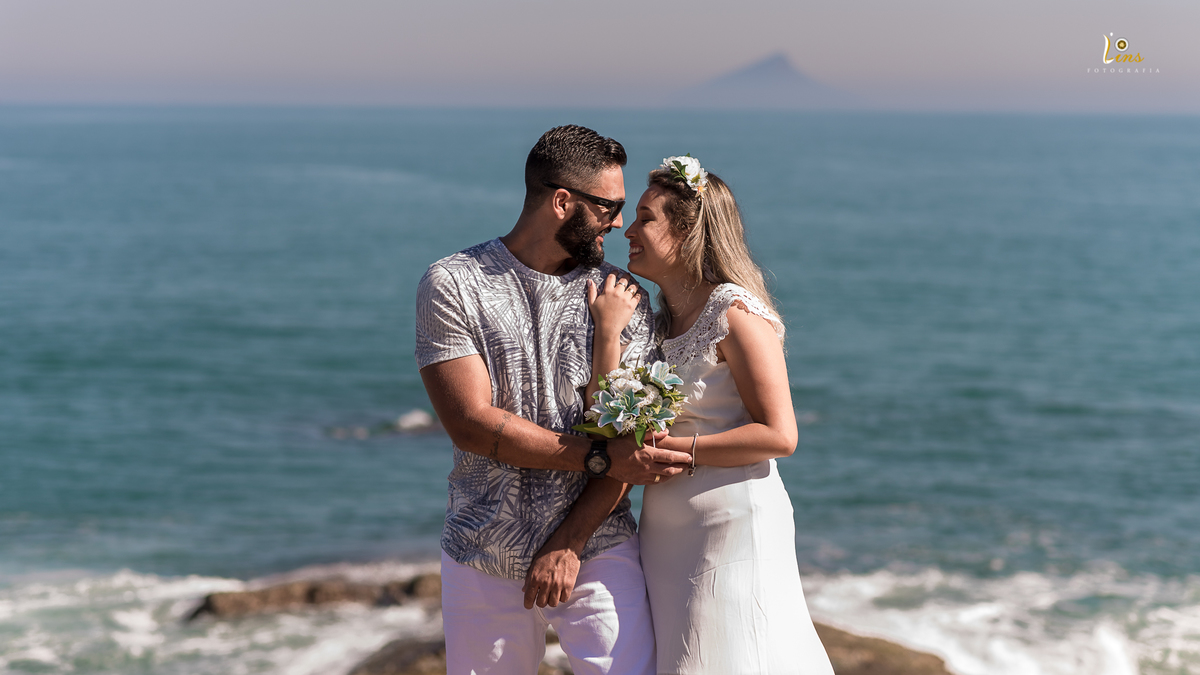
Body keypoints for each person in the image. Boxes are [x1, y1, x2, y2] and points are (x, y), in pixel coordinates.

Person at [415, 126, 693, 674]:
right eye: (609, 207)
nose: (620, 222)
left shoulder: (624, 297)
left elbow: (633, 443)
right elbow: (470, 424)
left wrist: (569, 540)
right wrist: (600, 457)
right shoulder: (453, 284)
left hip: (598, 541)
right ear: (562, 201)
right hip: (481, 546)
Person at [586, 155, 835, 674]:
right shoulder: (656, 322)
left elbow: (780, 434)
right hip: (665, 532)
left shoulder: (735, 313)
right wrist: (607, 333)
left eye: (646, 218)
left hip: (731, 524)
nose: (628, 230)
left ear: (687, 232)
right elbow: (607, 422)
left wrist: (682, 450)